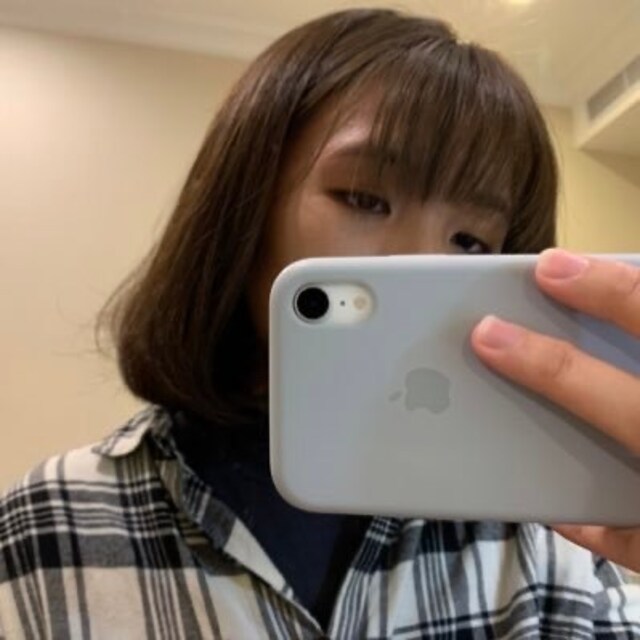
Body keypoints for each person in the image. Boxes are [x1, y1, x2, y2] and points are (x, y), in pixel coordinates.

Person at [0, 8, 638, 639]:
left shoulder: (541, 537)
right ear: (244, 209)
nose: (420, 264)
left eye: (469, 241)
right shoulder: (51, 525)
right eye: (363, 199)